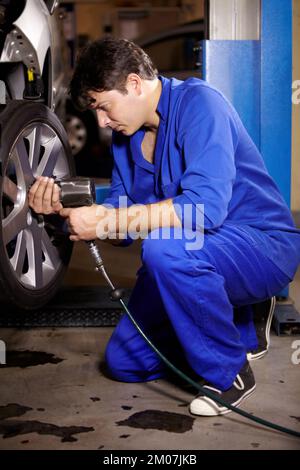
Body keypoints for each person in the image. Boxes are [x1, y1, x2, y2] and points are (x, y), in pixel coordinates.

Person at [29, 38, 300, 416]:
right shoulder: (126, 140)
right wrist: (71, 213)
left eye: (104, 107)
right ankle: (234, 326)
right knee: (124, 361)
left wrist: (112, 218)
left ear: (135, 84)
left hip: (261, 246)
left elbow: (205, 210)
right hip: (193, 252)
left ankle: (229, 372)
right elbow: (121, 228)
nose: (102, 122)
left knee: (164, 247)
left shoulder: (201, 105)